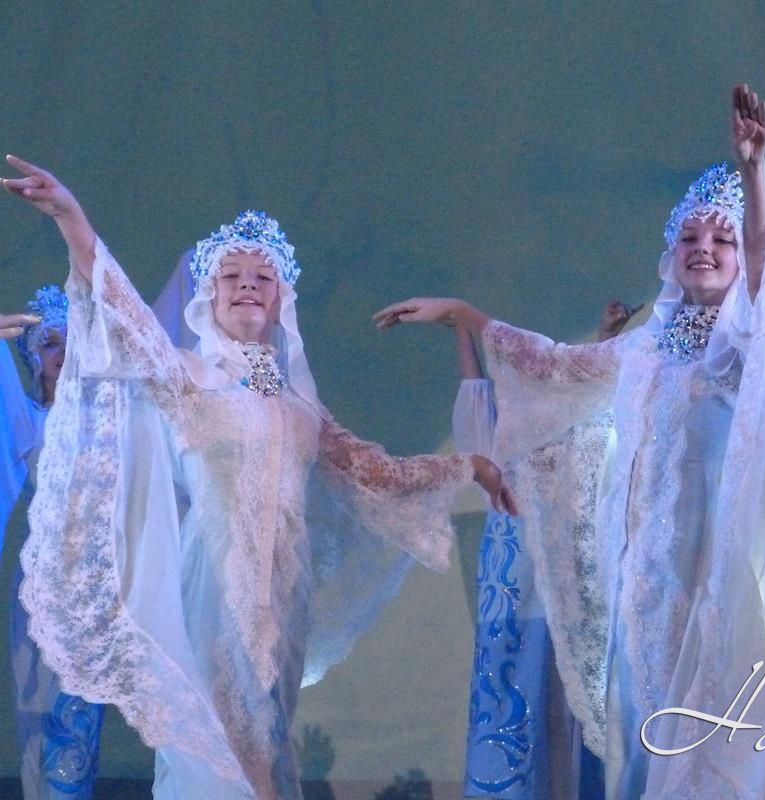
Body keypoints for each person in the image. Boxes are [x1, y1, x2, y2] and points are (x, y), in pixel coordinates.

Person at [2, 154, 513, 800]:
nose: (247, 285)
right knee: (218, 760)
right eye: (231, 276)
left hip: (284, 600)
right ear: (209, 295)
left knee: (266, 752)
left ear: (280, 300)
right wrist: (72, 218)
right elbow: (124, 312)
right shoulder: (187, 376)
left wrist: (469, 466)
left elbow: (374, 472)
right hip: (213, 590)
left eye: (263, 277)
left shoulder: (298, 407)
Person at [373, 85, 765, 799]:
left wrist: (753, 170)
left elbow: (764, 263)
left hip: (709, 578)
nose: (705, 249)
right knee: (640, 735)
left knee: (706, 742)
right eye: (690, 239)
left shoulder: (739, 347)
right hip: (643, 586)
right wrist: (464, 316)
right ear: (670, 255)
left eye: (721, 240)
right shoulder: (642, 352)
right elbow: (553, 366)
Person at [455, 301, 639, 800]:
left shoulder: (588, 423)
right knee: (519, 699)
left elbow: (596, 402)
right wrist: (463, 333)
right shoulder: (508, 432)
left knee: (583, 706)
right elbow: (475, 403)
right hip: (518, 591)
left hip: (581, 588)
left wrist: (605, 340)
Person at [0, 288, 106, 799]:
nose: (62, 352)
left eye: (72, 341)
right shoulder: (24, 419)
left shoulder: (108, 422)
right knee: (36, 699)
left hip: (91, 585)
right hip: (41, 582)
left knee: (80, 710)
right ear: (32, 356)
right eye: (49, 342)